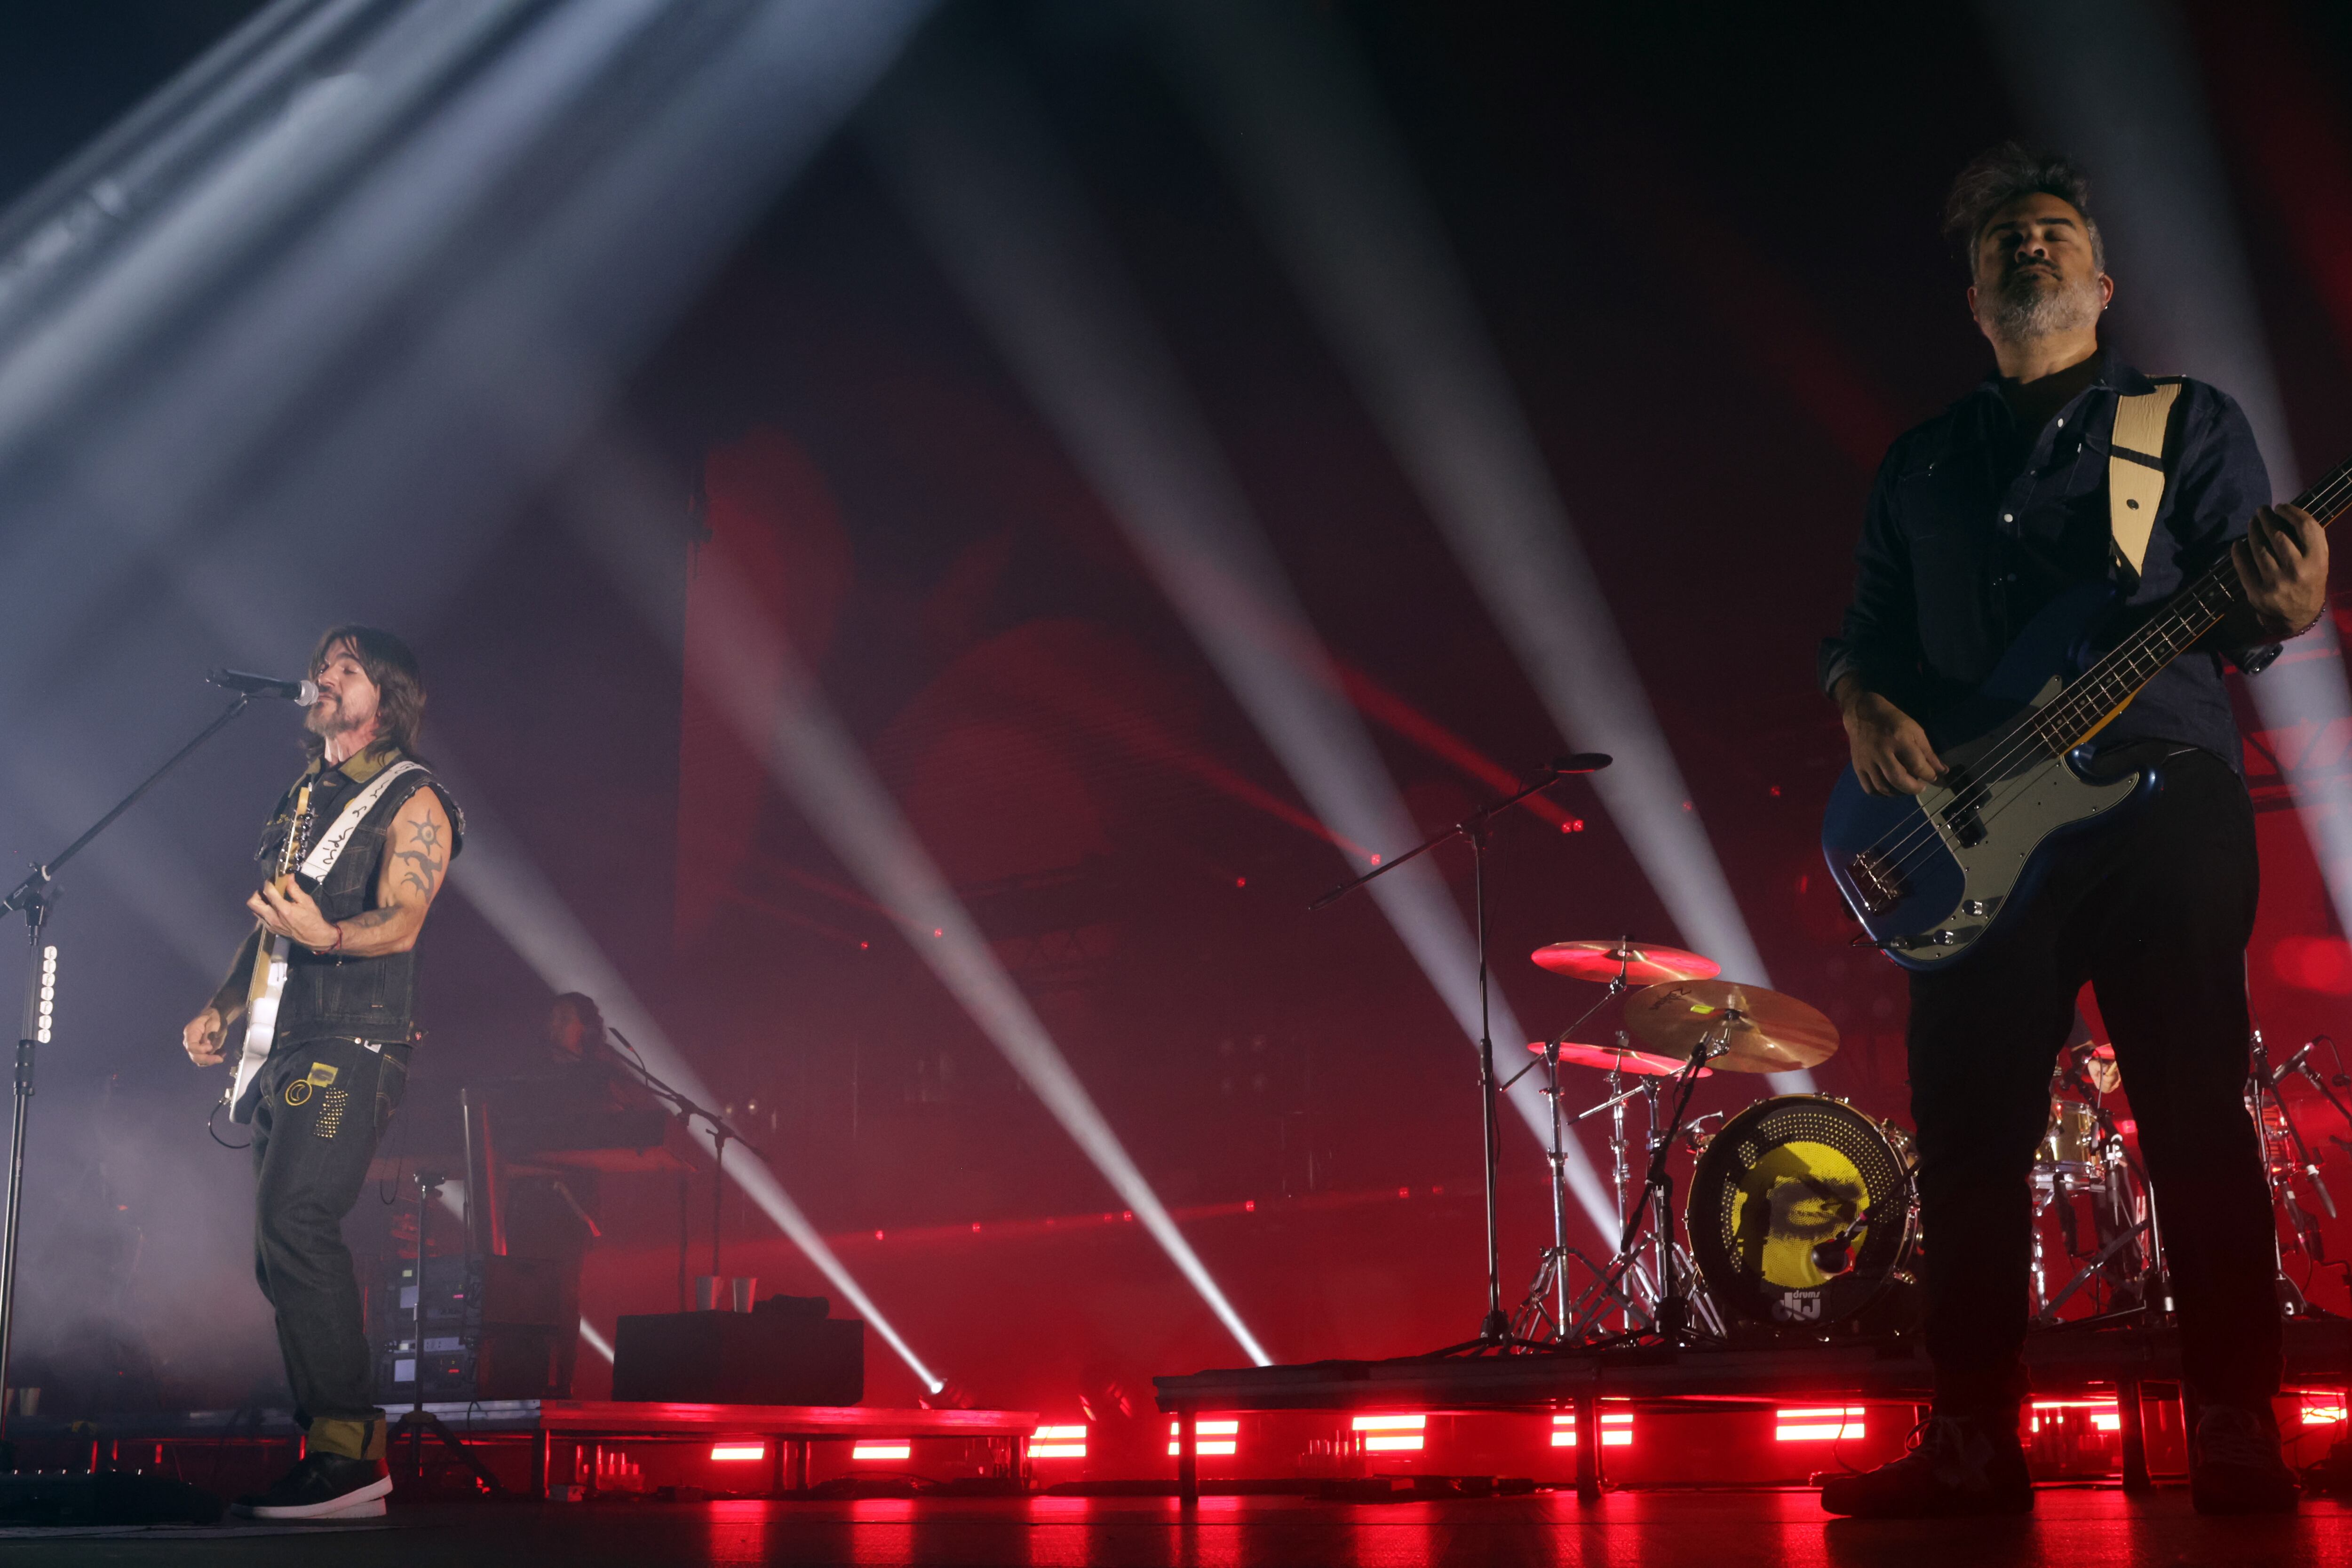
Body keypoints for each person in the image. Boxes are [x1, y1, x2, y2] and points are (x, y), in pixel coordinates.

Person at [1817, 146, 2327, 1518]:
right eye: (2004, 241)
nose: (2030, 248)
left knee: (2194, 1120)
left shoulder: (2185, 423)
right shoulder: (1920, 463)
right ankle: (1974, 1436)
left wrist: (2292, 599)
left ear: (2101, 281)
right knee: (1970, 1139)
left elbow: (2254, 606)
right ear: (1976, 297)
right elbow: (1860, 633)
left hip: (2161, 807)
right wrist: (1863, 702)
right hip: (1973, 837)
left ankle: (2234, 1421)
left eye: (2053, 232)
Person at [181, 627, 462, 1521]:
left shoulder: (413, 797)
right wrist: (226, 1006)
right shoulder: (302, 794)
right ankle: (332, 1450)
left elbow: (406, 918)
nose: (326, 677)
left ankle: (350, 1455)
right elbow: (273, 923)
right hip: (286, 1039)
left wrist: (331, 937)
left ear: (389, 696)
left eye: (349, 669)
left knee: (297, 1219)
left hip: (356, 1038)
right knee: (276, 1244)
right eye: (326, 664)